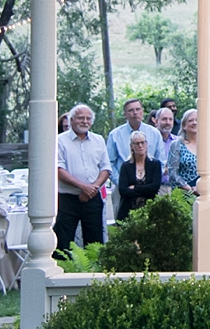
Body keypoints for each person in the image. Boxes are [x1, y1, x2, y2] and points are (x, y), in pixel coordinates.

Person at [55, 103, 110, 250]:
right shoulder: (60, 140)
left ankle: (94, 272)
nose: (85, 121)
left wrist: (93, 188)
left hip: (93, 198)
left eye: (88, 118)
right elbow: (58, 169)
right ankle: (63, 271)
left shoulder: (98, 140)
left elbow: (105, 168)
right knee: (63, 242)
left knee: (95, 243)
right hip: (68, 199)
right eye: (80, 118)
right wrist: (83, 187)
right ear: (71, 120)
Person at [118, 131, 164, 219]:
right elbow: (123, 190)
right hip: (128, 212)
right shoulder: (126, 166)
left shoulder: (155, 164)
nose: (140, 146)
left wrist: (135, 188)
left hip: (150, 211)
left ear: (146, 144)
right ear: (131, 146)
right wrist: (146, 189)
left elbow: (155, 188)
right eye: (136, 143)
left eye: (142, 142)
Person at [166, 110, 202, 195]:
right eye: (190, 120)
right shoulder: (176, 144)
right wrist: (189, 189)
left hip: (208, 191)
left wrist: (202, 188)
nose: (194, 122)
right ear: (184, 126)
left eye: (197, 120)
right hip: (184, 192)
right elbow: (173, 172)